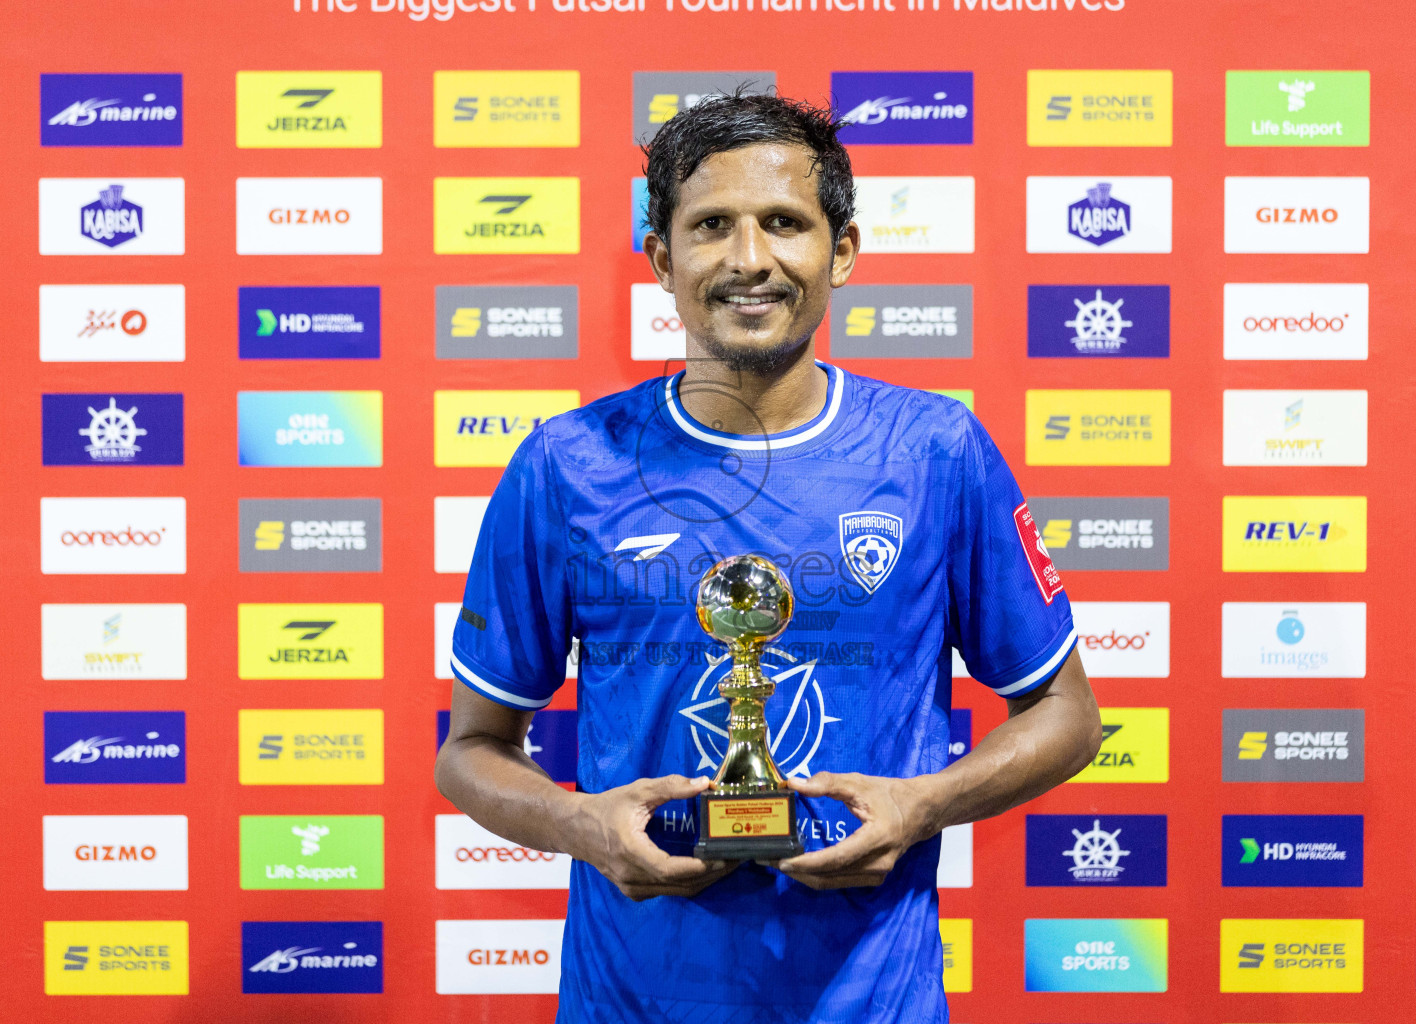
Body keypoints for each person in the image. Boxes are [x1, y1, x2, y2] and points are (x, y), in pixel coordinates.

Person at [435, 92, 1102, 1024]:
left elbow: (1067, 714)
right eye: (712, 226)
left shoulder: (936, 452)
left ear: (844, 251)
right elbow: (471, 750)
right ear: (663, 259)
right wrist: (584, 824)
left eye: (784, 223)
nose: (750, 259)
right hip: (633, 999)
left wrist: (924, 804)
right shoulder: (566, 464)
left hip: (873, 1000)